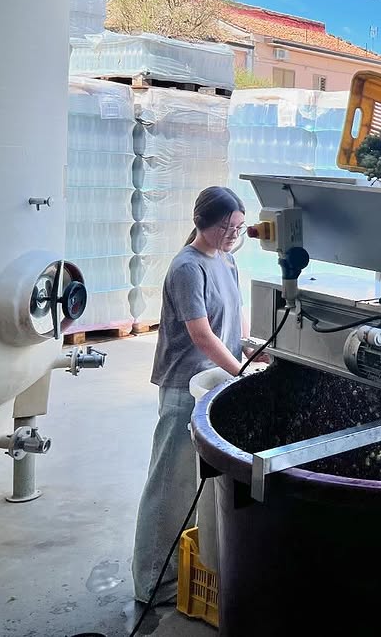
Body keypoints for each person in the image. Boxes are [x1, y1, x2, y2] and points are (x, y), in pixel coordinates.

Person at [132, 186, 262, 605]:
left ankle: (183, 571)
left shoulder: (227, 259)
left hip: (213, 385)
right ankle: (152, 583)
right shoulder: (187, 267)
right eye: (226, 227)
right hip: (183, 387)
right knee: (170, 485)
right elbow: (202, 335)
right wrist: (241, 372)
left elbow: (235, 319)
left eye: (239, 227)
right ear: (202, 222)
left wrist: (250, 351)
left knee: (200, 486)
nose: (233, 235)